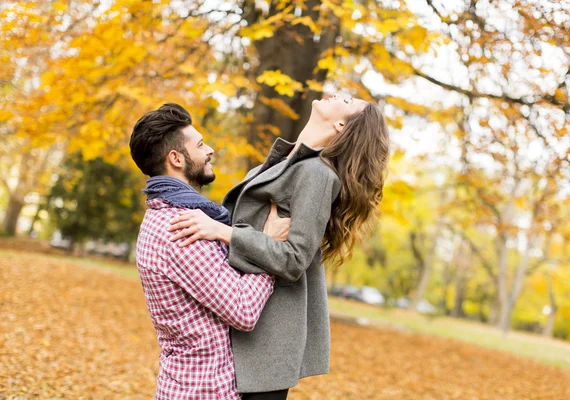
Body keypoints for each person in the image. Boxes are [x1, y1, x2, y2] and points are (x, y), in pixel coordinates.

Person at [169, 93, 390, 399]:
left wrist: (224, 233)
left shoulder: (318, 175)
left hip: (268, 341)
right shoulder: (284, 162)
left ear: (341, 124)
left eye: (349, 101)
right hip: (240, 324)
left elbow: (295, 259)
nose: (339, 93)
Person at [129, 103, 291, 400]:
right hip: (203, 391)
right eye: (201, 144)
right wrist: (269, 244)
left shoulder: (171, 215)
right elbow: (243, 311)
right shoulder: (181, 228)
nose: (210, 150)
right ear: (176, 158)